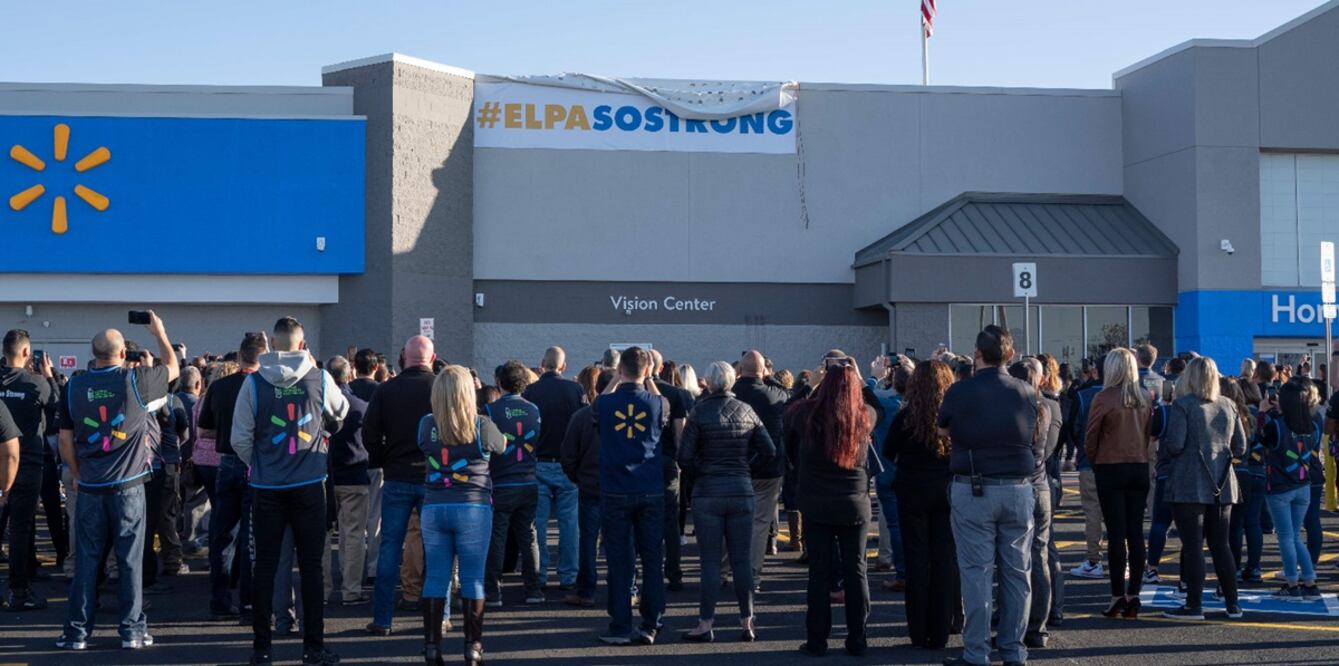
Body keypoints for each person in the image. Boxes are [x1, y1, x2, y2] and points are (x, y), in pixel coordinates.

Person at [56, 310, 179, 651]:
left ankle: (77, 632)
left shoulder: (75, 386)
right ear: (122, 354)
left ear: (92, 355)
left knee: (86, 560)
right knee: (129, 560)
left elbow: (65, 440)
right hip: (129, 485)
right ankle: (131, 631)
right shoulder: (136, 382)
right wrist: (160, 332)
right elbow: (173, 369)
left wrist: (78, 474)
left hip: (91, 486)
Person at [231, 317, 348, 666]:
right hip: (310, 484)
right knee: (311, 567)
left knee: (265, 565)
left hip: (266, 487)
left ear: (271, 347)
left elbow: (240, 438)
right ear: (302, 345)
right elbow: (341, 412)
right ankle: (313, 647)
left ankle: (261, 648)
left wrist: (261, 463)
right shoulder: (320, 377)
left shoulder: (253, 384)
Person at [938, 326, 1037, 666]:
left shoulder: (960, 390)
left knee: (976, 573)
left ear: (977, 354)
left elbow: (942, 428)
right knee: (1017, 572)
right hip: (1019, 486)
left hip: (974, 484)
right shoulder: (1025, 390)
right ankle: (1013, 649)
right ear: (1010, 355)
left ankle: (976, 652)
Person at [677, 361, 775, 642]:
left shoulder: (700, 411)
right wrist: (746, 467)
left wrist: (702, 470)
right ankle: (747, 621)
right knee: (742, 559)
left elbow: (684, 457)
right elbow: (768, 450)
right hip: (741, 489)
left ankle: (706, 622)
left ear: (708, 381)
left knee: (710, 562)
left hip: (708, 492)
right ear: (732, 381)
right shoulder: (747, 410)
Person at [787, 352, 877, 657]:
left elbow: (786, 413)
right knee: (856, 571)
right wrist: (860, 378)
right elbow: (875, 404)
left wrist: (810, 384)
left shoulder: (808, 414)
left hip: (817, 503)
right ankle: (857, 639)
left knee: (819, 574)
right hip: (854, 503)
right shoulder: (864, 417)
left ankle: (817, 641)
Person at [416, 365, 506, 666]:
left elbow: (422, 447)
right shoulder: (481, 425)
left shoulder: (426, 424)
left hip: (434, 506)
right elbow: (502, 446)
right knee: (473, 578)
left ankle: (431, 647)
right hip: (473, 507)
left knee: (436, 577)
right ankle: (473, 647)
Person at [1161, 357, 1247, 621]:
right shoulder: (1229, 404)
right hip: (1222, 482)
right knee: (1221, 545)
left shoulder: (1183, 405)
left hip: (1189, 482)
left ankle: (1194, 604)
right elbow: (1241, 447)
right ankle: (1232, 604)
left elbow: (1175, 444)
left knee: (1193, 545)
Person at [594, 346, 668, 645]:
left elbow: (596, 403)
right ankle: (652, 623)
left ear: (619, 370)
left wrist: (613, 379)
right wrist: (647, 378)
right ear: (648, 371)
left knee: (619, 561)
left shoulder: (606, 404)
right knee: (652, 559)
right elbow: (658, 399)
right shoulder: (658, 403)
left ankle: (621, 626)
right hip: (650, 488)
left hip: (615, 489)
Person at [364, 336, 437, 634]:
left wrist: (383, 459)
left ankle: (382, 619)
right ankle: (437, 618)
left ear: (403, 358)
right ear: (432, 359)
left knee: (390, 547)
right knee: (436, 548)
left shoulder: (386, 390)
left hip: (396, 475)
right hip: (433, 476)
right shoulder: (441, 388)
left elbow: (369, 434)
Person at [885, 360, 958, 651]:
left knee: (916, 561)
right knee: (943, 560)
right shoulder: (954, 417)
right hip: (947, 490)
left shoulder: (905, 418)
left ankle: (918, 630)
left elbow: (889, 451)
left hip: (912, 490)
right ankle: (940, 631)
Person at [200, 332, 267, 619]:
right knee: (252, 538)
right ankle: (250, 602)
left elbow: (205, 429)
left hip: (226, 462)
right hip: (255, 463)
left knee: (222, 534)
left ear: (239, 357)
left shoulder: (220, 386)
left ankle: (220, 599)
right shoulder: (265, 387)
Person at [1084, 349, 1152, 619]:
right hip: (1139, 465)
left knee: (1115, 533)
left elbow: (1091, 436)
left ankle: (1116, 595)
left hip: (1110, 466)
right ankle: (1134, 594)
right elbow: (1147, 434)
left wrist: (1096, 460)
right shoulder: (1145, 397)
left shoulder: (1103, 398)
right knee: (1135, 532)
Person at [1, 329, 59, 611]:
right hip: (28, 463)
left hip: (3, 464)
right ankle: (19, 590)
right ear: (26, 353)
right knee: (21, 528)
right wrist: (49, 376)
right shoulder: (36, 382)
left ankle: (26, 574)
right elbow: (58, 409)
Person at [522, 346, 584, 593]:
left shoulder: (530, 392)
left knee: (539, 523)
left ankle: (541, 573)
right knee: (570, 523)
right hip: (568, 464)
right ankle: (569, 575)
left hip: (538, 461)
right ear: (563, 366)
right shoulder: (575, 390)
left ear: (541, 364)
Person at [482, 361, 543, 606]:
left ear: (499, 382)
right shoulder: (534, 410)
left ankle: (494, 592)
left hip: (501, 482)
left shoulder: (490, 410)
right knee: (529, 537)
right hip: (529, 480)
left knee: (496, 538)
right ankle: (533, 590)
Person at [1259, 378, 1323, 602]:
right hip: (1303, 485)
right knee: (1295, 536)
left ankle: (1292, 583)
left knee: (1286, 537)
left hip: (1279, 486)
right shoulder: (1313, 426)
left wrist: (1263, 413)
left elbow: (1259, 442)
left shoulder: (1275, 425)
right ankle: (1309, 581)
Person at [1009, 358, 1058, 647]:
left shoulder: (1014, 411)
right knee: (1040, 557)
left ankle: (1015, 622)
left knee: (1013, 559)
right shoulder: (1045, 409)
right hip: (1041, 486)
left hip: (1019, 486)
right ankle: (1037, 627)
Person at [732, 350, 790, 592]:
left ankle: (726, 571)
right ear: (764, 371)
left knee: (730, 520)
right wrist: (769, 376)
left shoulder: (730, 393)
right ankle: (752, 576)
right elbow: (788, 394)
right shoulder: (774, 394)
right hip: (768, 468)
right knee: (760, 522)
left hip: (734, 466)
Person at [560, 369, 611, 607]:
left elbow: (568, 454)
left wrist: (578, 477)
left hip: (590, 485)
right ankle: (626, 589)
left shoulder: (582, 416)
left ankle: (587, 590)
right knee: (622, 541)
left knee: (588, 541)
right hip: (619, 486)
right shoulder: (625, 416)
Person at [324, 356, 372, 606]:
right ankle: (351, 589)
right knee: (353, 535)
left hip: (325, 476)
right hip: (355, 474)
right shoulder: (360, 406)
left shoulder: (318, 405)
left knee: (322, 534)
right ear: (349, 375)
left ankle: (321, 589)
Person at [649, 350, 692, 592]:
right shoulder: (677, 394)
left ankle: (644, 573)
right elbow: (679, 434)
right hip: (667, 462)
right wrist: (680, 462)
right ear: (661, 366)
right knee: (671, 522)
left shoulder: (637, 392)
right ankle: (674, 573)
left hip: (641, 463)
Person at [1068, 357, 1106, 580]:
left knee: (1092, 512)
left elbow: (1074, 427)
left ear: (1095, 372)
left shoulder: (1084, 396)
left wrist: (1081, 449)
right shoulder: (1133, 395)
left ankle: (1094, 559)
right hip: (1122, 463)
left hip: (1089, 462)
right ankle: (1125, 560)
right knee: (1120, 515)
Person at [1225, 378, 1265, 584]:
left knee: (1235, 524)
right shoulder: (1255, 415)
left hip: (1235, 470)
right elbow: (1262, 444)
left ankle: (1234, 567)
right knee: (1253, 522)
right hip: (1254, 471)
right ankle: (1254, 566)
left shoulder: (1227, 414)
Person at [350, 348, 382, 584]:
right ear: (375, 368)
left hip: (348, 459)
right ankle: (373, 567)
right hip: (375, 458)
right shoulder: (382, 392)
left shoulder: (346, 389)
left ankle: (350, 569)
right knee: (375, 518)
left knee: (351, 523)